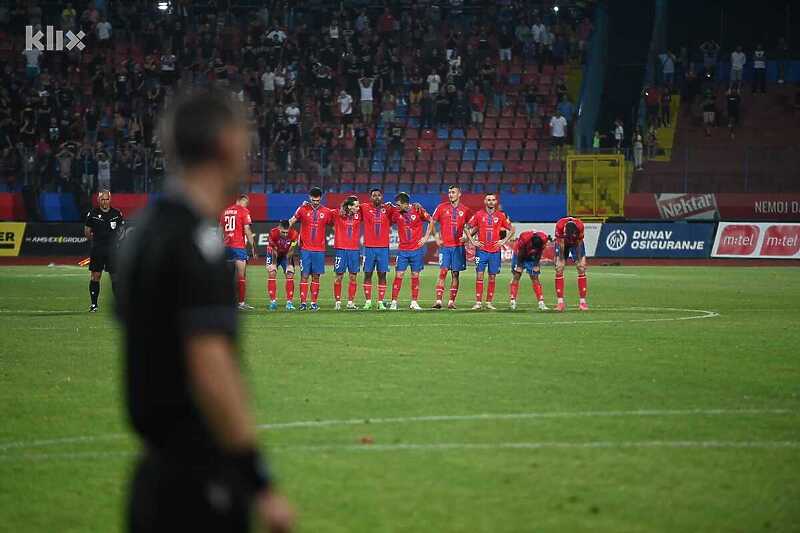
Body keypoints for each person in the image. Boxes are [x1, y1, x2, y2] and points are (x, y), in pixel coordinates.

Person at [115, 89, 293, 533]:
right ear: (225, 144)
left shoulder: (143, 234)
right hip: (199, 481)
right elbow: (210, 367)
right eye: (245, 140)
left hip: (152, 478)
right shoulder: (198, 243)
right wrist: (259, 480)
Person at [425, 185, 472, 309]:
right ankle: (439, 301)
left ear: (459, 194)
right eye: (449, 192)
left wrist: (468, 237)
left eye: (453, 192)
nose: (450, 194)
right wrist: (436, 237)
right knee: (443, 272)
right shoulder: (441, 207)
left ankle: (451, 302)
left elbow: (473, 225)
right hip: (445, 247)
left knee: (455, 274)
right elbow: (431, 221)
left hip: (458, 247)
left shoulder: (465, 210)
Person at [465, 193, 514, 310]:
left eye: (493, 200)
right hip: (481, 251)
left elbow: (512, 229)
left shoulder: (501, 216)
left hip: (495, 252)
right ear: (485, 202)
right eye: (489, 200)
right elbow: (466, 227)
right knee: (479, 275)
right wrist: (472, 241)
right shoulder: (478, 214)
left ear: (495, 202)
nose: (491, 202)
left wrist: (503, 241)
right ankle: (478, 302)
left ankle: (488, 302)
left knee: (492, 276)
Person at [288, 187, 330, 311]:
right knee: (304, 275)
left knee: (316, 276)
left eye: (317, 200)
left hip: (319, 250)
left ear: (321, 198)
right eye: (313, 200)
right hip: (305, 249)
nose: (315, 202)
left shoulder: (326, 211)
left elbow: (337, 221)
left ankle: (313, 303)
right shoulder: (302, 209)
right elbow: (291, 221)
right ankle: (303, 303)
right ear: (309, 197)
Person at [84, 190, 124, 312]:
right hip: (98, 249)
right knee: (96, 276)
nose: (105, 201)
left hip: (112, 250)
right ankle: (94, 305)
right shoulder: (93, 213)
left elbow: (122, 231)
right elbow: (87, 232)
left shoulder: (117, 213)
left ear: (110, 199)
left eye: (107, 199)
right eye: (102, 199)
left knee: (115, 277)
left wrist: (116, 242)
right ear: (98, 200)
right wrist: (97, 241)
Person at [389, 192, 430, 311]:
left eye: (398, 205)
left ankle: (414, 302)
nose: (397, 207)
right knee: (399, 275)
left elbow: (431, 220)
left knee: (415, 275)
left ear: (406, 204)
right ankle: (394, 302)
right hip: (402, 251)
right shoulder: (396, 212)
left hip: (416, 250)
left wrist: (426, 237)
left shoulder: (418, 210)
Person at [220, 194, 257, 310]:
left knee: (227, 276)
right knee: (241, 275)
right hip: (238, 246)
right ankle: (241, 303)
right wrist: (253, 246)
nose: (246, 205)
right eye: (245, 203)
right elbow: (247, 229)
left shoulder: (224, 211)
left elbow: (219, 230)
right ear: (241, 201)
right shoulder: (244, 211)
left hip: (226, 247)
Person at [359, 188, 393, 310]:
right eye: (374, 195)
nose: (377, 197)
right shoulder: (364, 207)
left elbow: (403, 208)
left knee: (382, 275)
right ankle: (368, 301)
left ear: (382, 197)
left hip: (383, 248)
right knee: (367, 274)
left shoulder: (388, 209)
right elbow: (349, 206)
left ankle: (380, 302)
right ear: (370, 197)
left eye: (379, 195)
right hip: (369, 248)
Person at [331, 196, 362, 311]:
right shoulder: (337, 213)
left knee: (353, 277)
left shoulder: (360, 214)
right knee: (339, 277)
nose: (358, 208)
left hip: (354, 250)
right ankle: (338, 302)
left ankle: (350, 302)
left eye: (358, 206)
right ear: (349, 206)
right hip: (341, 250)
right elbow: (324, 212)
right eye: (356, 206)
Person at [554, 216, 588, 312]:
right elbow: (561, 244)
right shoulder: (559, 225)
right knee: (559, 268)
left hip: (576, 243)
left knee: (581, 268)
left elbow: (579, 242)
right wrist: (560, 259)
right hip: (562, 242)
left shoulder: (580, 226)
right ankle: (560, 302)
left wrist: (578, 259)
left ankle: (582, 302)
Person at [509, 230, 550, 311]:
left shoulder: (544, 239)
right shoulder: (524, 238)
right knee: (517, 275)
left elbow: (540, 251)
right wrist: (519, 266)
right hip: (519, 254)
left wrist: (536, 264)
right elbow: (520, 252)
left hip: (532, 256)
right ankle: (512, 301)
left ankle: (541, 303)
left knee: (535, 277)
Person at [266, 220, 299, 311]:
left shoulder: (294, 234)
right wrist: (273, 264)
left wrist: (289, 264)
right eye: (283, 232)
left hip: (286, 254)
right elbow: (274, 250)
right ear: (279, 228)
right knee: (272, 272)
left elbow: (291, 250)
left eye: (286, 232)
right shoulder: (273, 233)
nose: (285, 234)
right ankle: (273, 302)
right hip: (273, 253)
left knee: (290, 273)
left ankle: (289, 303)